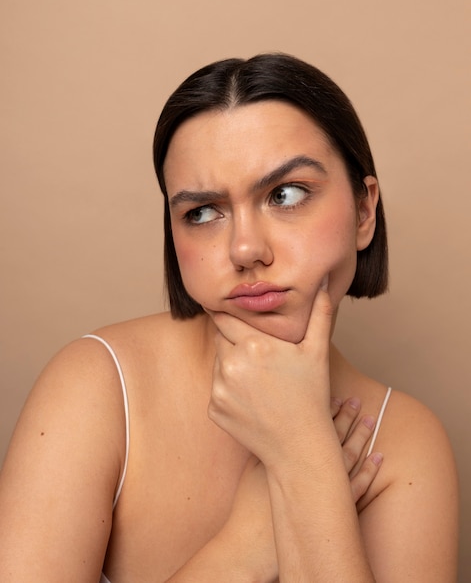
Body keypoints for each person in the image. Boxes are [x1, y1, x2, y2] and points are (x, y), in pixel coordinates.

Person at [0, 53, 458, 582]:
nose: (245, 249)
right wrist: (247, 546)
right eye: (202, 212)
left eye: (286, 195)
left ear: (364, 210)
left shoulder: (401, 443)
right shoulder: (97, 386)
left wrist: (301, 456)